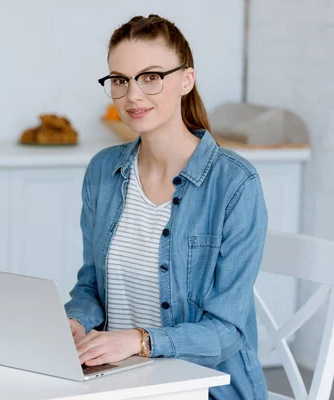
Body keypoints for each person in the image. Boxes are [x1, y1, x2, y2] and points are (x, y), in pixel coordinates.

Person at [64, 14, 269, 400]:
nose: (133, 96)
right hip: (119, 382)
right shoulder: (103, 172)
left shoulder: (235, 184)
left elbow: (227, 331)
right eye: (120, 80)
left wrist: (140, 341)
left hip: (204, 388)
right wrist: (76, 320)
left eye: (151, 77)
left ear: (186, 80)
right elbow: (91, 285)